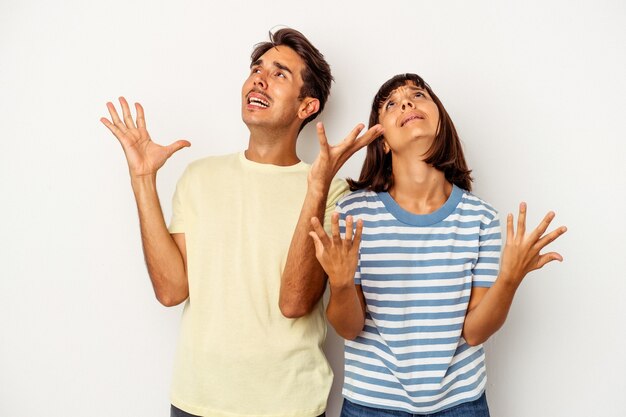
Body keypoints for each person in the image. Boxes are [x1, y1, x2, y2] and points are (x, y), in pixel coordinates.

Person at [100, 28, 381, 417]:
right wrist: (143, 180)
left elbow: (296, 302)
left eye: (280, 73)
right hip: (196, 400)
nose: (258, 79)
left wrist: (314, 188)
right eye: (256, 68)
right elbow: (170, 290)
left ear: (307, 107)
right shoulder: (199, 177)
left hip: (287, 405)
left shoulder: (332, 194)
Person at [308, 73, 567, 416]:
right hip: (372, 405)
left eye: (418, 95)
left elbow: (475, 333)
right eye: (391, 104)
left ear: (441, 121)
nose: (406, 102)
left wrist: (509, 279)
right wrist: (340, 284)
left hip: (460, 405)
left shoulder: (481, 218)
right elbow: (349, 328)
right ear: (382, 140)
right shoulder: (354, 214)